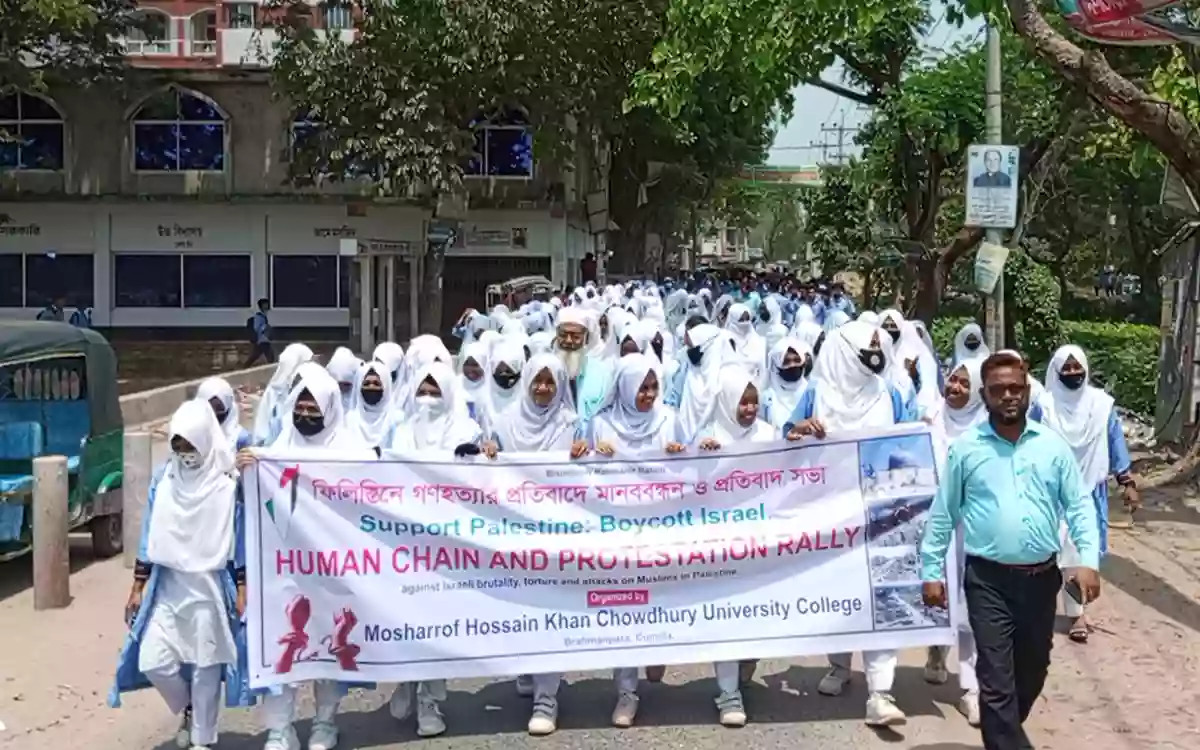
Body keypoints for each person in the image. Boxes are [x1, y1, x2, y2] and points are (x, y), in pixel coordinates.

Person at [920, 351, 1101, 750]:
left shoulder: (1052, 447)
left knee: (1032, 670)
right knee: (995, 679)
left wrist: (1087, 560)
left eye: (1015, 388)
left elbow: (1078, 505)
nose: (1008, 396)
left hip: (1041, 581)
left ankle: (1004, 736)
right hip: (987, 581)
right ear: (984, 395)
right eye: (998, 390)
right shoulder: (966, 450)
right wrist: (931, 570)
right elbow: (943, 512)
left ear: (1028, 392)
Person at [783, 320, 914, 727]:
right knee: (838, 595)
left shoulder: (890, 394)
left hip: (880, 515)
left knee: (882, 598)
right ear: (843, 352)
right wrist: (799, 431)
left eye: (878, 347)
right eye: (866, 347)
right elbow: (784, 438)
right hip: (828, 516)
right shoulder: (815, 393)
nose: (875, 355)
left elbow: (911, 442)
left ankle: (881, 691)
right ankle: (839, 666)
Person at [237, 368, 373, 750]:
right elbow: (259, 504)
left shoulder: (354, 453)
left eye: (315, 406)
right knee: (283, 643)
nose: (307, 413)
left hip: (333, 571)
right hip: (285, 570)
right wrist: (248, 470)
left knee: (328, 643)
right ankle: (281, 729)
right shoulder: (277, 450)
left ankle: (325, 723)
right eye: (301, 404)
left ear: (331, 408)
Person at [109, 400, 250, 750]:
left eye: (191, 445)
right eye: (179, 445)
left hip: (210, 588)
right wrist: (137, 586)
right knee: (153, 661)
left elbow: (242, 536)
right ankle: (187, 706)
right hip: (168, 587)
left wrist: (244, 587)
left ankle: (203, 737)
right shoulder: (165, 477)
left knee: (206, 665)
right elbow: (149, 533)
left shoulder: (229, 482)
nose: (185, 453)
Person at [482, 354, 587, 735]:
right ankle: (528, 666)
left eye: (550, 382)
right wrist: (488, 453)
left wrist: (584, 453)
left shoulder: (572, 424)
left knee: (551, 608)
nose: (543, 388)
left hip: (556, 536)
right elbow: (482, 467)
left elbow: (588, 476)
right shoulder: (503, 424)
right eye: (537, 381)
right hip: (514, 536)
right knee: (522, 607)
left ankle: (547, 697)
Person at [690, 366, 777, 727]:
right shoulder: (708, 435)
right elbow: (688, 487)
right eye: (742, 401)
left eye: (754, 402)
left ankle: (745, 663)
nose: (749, 409)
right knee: (726, 619)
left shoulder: (769, 434)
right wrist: (701, 457)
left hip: (760, 545)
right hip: (721, 547)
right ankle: (728, 694)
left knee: (754, 619)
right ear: (726, 402)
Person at [1034, 344, 1138, 644]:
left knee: (1077, 555)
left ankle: (1076, 614)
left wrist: (1126, 481)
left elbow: (1115, 441)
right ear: (1055, 371)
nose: (1072, 373)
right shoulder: (1044, 406)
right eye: (1065, 369)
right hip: (1048, 492)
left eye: (1076, 367)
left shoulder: (1102, 406)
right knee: (1044, 555)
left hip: (1089, 491)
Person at [920, 359, 987, 727]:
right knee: (935, 593)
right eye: (953, 379)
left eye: (964, 383)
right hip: (932, 522)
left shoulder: (987, 429)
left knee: (971, 602)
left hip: (973, 528)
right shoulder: (929, 416)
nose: (955, 386)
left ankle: (971, 689)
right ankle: (935, 649)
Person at [195, 377, 252, 452]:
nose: (214, 413)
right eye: (209, 407)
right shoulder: (192, 436)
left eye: (218, 407)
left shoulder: (242, 438)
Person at [244, 299, 275, 367]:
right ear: (261, 306)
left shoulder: (264, 315)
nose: (266, 306)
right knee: (268, 356)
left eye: (267, 304)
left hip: (264, 340)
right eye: (265, 304)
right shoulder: (259, 316)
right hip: (262, 340)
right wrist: (266, 327)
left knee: (256, 356)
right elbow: (257, 327)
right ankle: (245, 367)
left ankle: (245, 366)